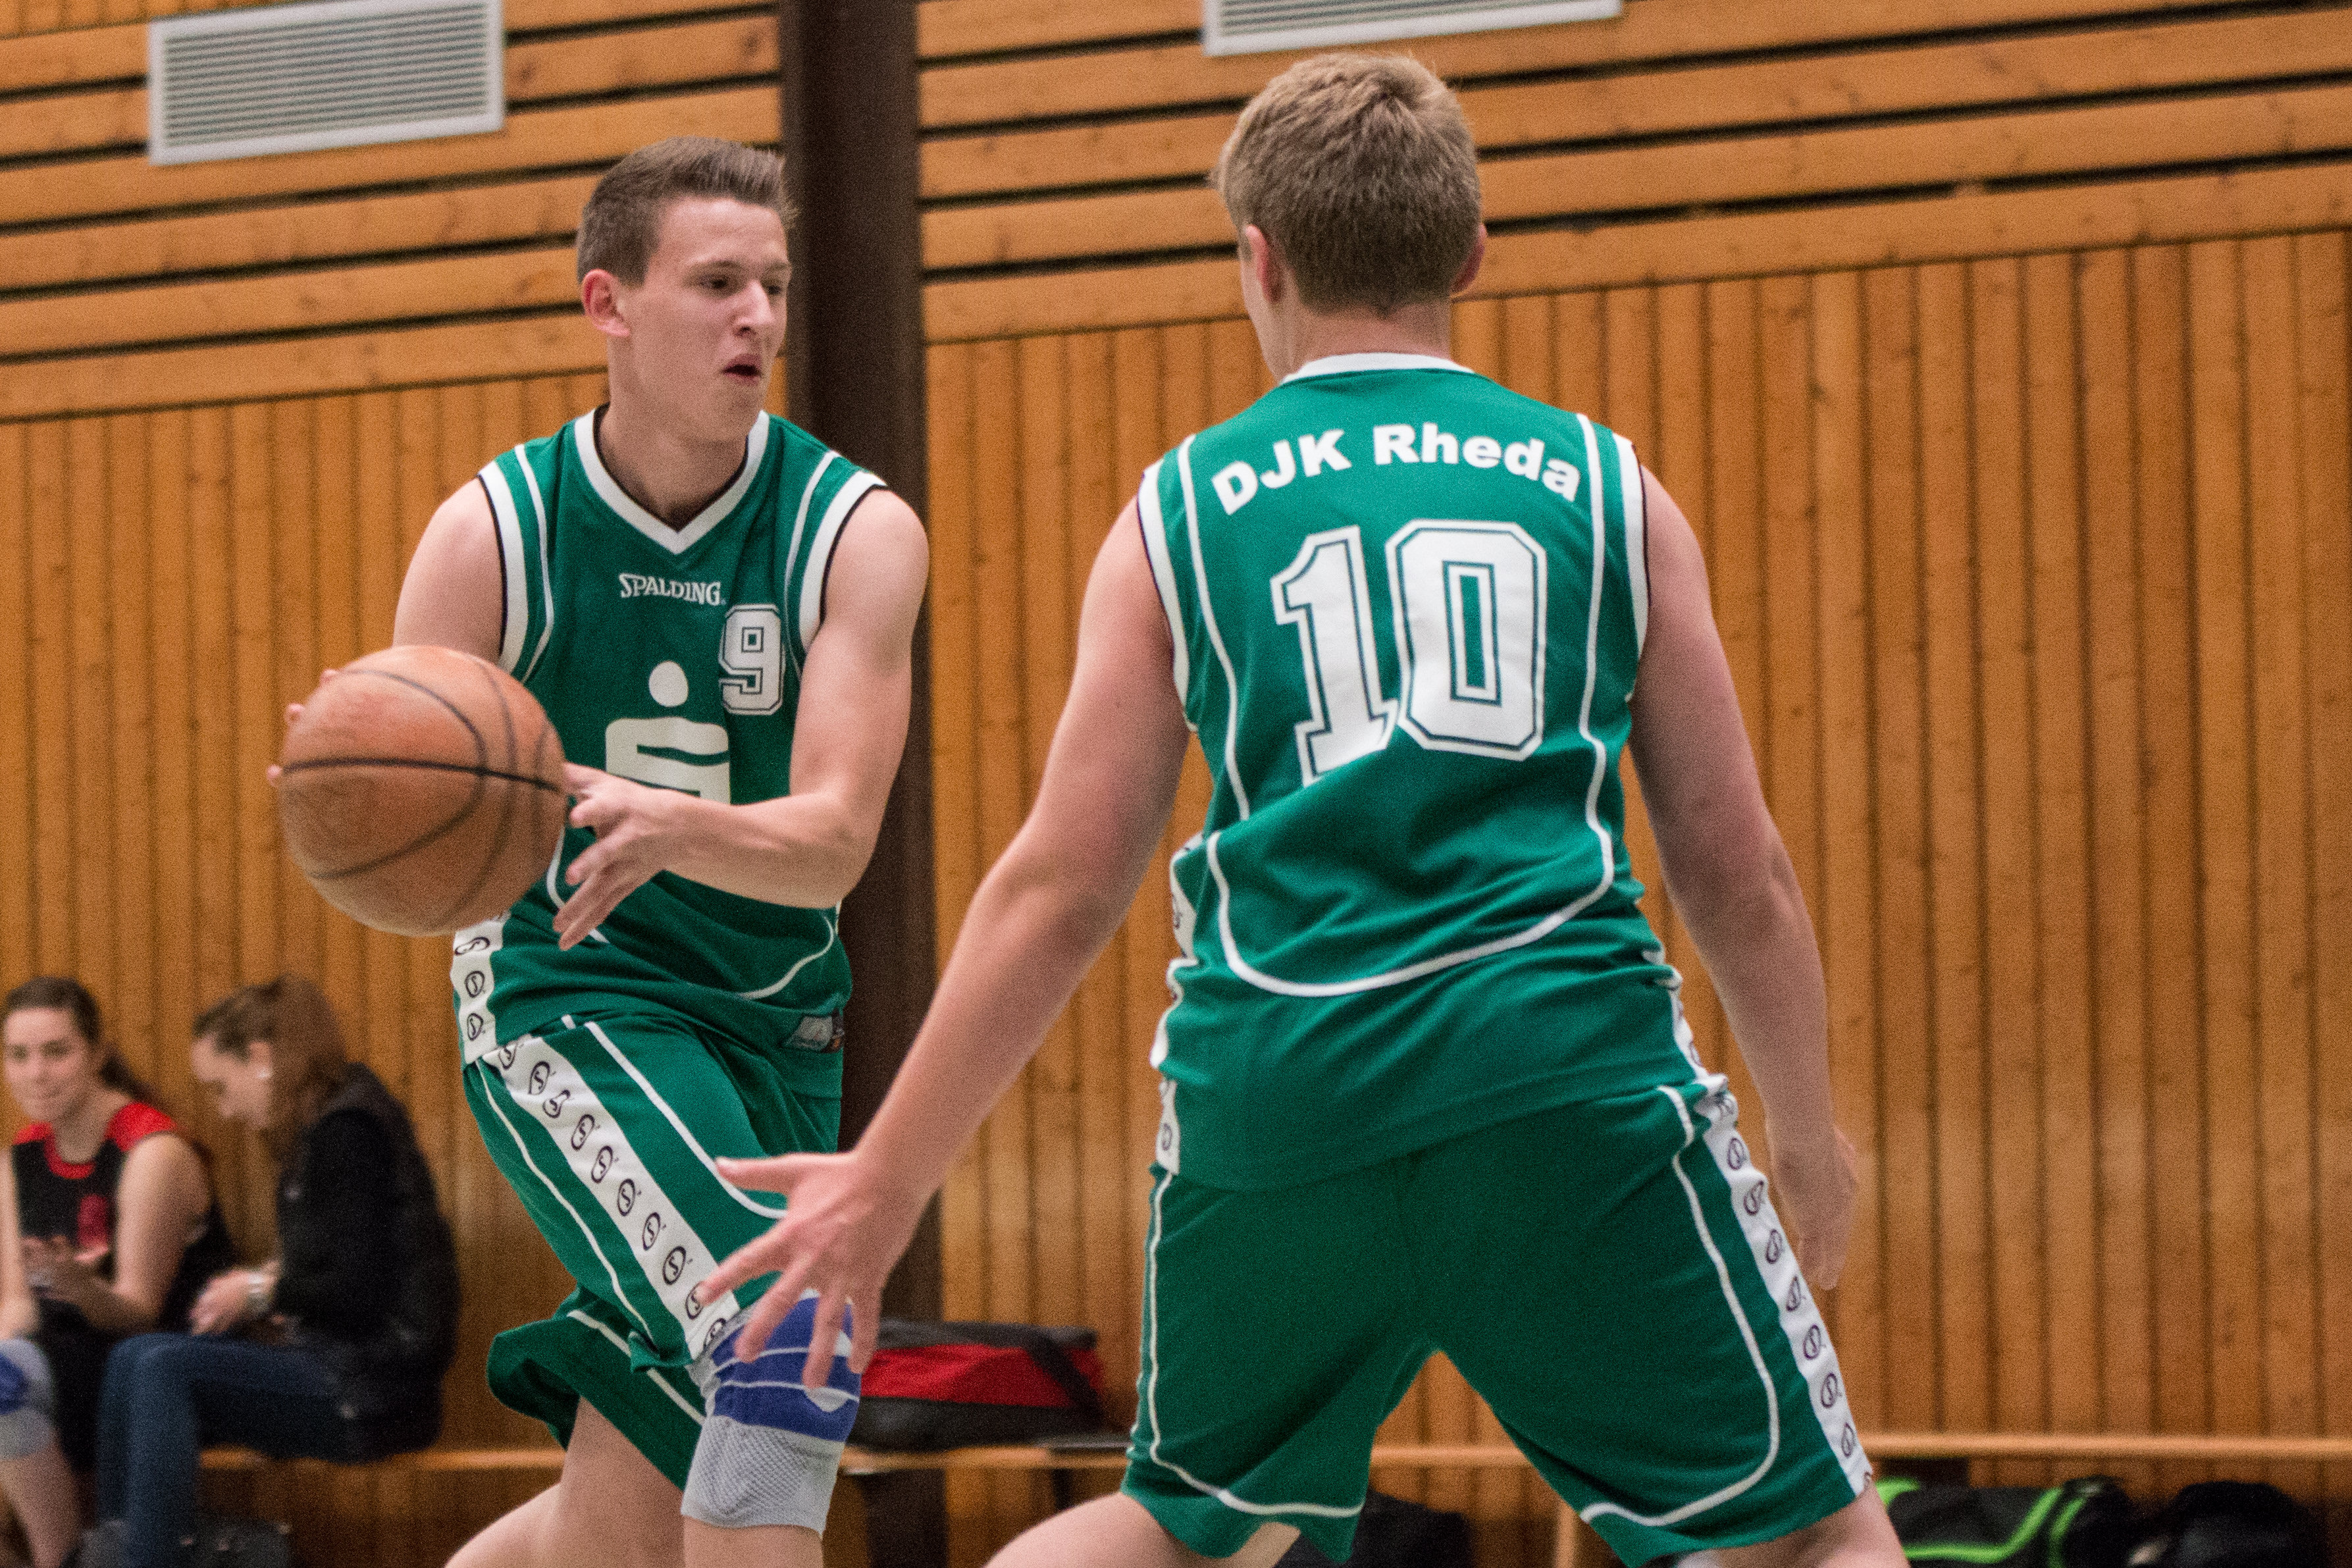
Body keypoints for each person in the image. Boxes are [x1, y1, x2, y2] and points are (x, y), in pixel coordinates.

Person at [701, 53, 1908, 1568]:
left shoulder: (1175, 511)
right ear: (1468, 254)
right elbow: (1735, 869)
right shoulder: (1607, 488)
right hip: (1552, 1072)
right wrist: (1806, 1134)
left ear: (1257, 260)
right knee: (1811, 1540)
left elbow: (1061, 884)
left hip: (1275, 1093)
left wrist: (886, 1180)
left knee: (1188, 1532)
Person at [380, 136, 926, 1568]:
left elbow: (834, 847)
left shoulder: (851, 531)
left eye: (773, 285)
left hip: (776, 1027)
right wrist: (360, 812)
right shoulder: (493, 536)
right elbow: (404, 823)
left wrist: (671, 822)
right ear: (607, 303)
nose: (759, 316)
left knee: (625, 1504)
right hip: (571, 997)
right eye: (717, 283)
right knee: (784, 1331)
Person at [88, 975, 459, 1568]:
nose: (223, 1109)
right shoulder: (329, 1125)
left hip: (375, 1395)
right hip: (350, 1374)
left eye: (220, 1086)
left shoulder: (348, 1130)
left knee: (161, 1366)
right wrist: (278, 1281)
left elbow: (359, 1291)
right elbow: (349, 1265)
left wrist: (260, 1291)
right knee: (132, 1358)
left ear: (260, 1058)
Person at [0, 980, 234, 1568]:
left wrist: (83, 1290)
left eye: (57, 1052)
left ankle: (61, 1559)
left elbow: (137, 1314)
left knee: (5, 1380)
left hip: (151, 1373)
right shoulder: (20, 1157)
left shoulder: (151, 1150)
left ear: (98, 1053)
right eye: (18, 1055)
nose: (36, 1074)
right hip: (56, 1365)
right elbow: (18, 1306)